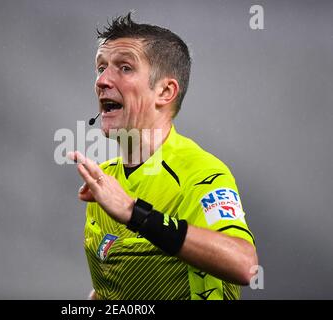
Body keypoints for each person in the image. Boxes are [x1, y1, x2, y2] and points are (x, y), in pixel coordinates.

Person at [68, 13, 258, 300]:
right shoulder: (105, 181)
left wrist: (135, 213)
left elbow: (245, 265)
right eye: (101, 68)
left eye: (125, 68)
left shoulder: (199, 172)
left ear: (165, 91)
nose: (103, 80)